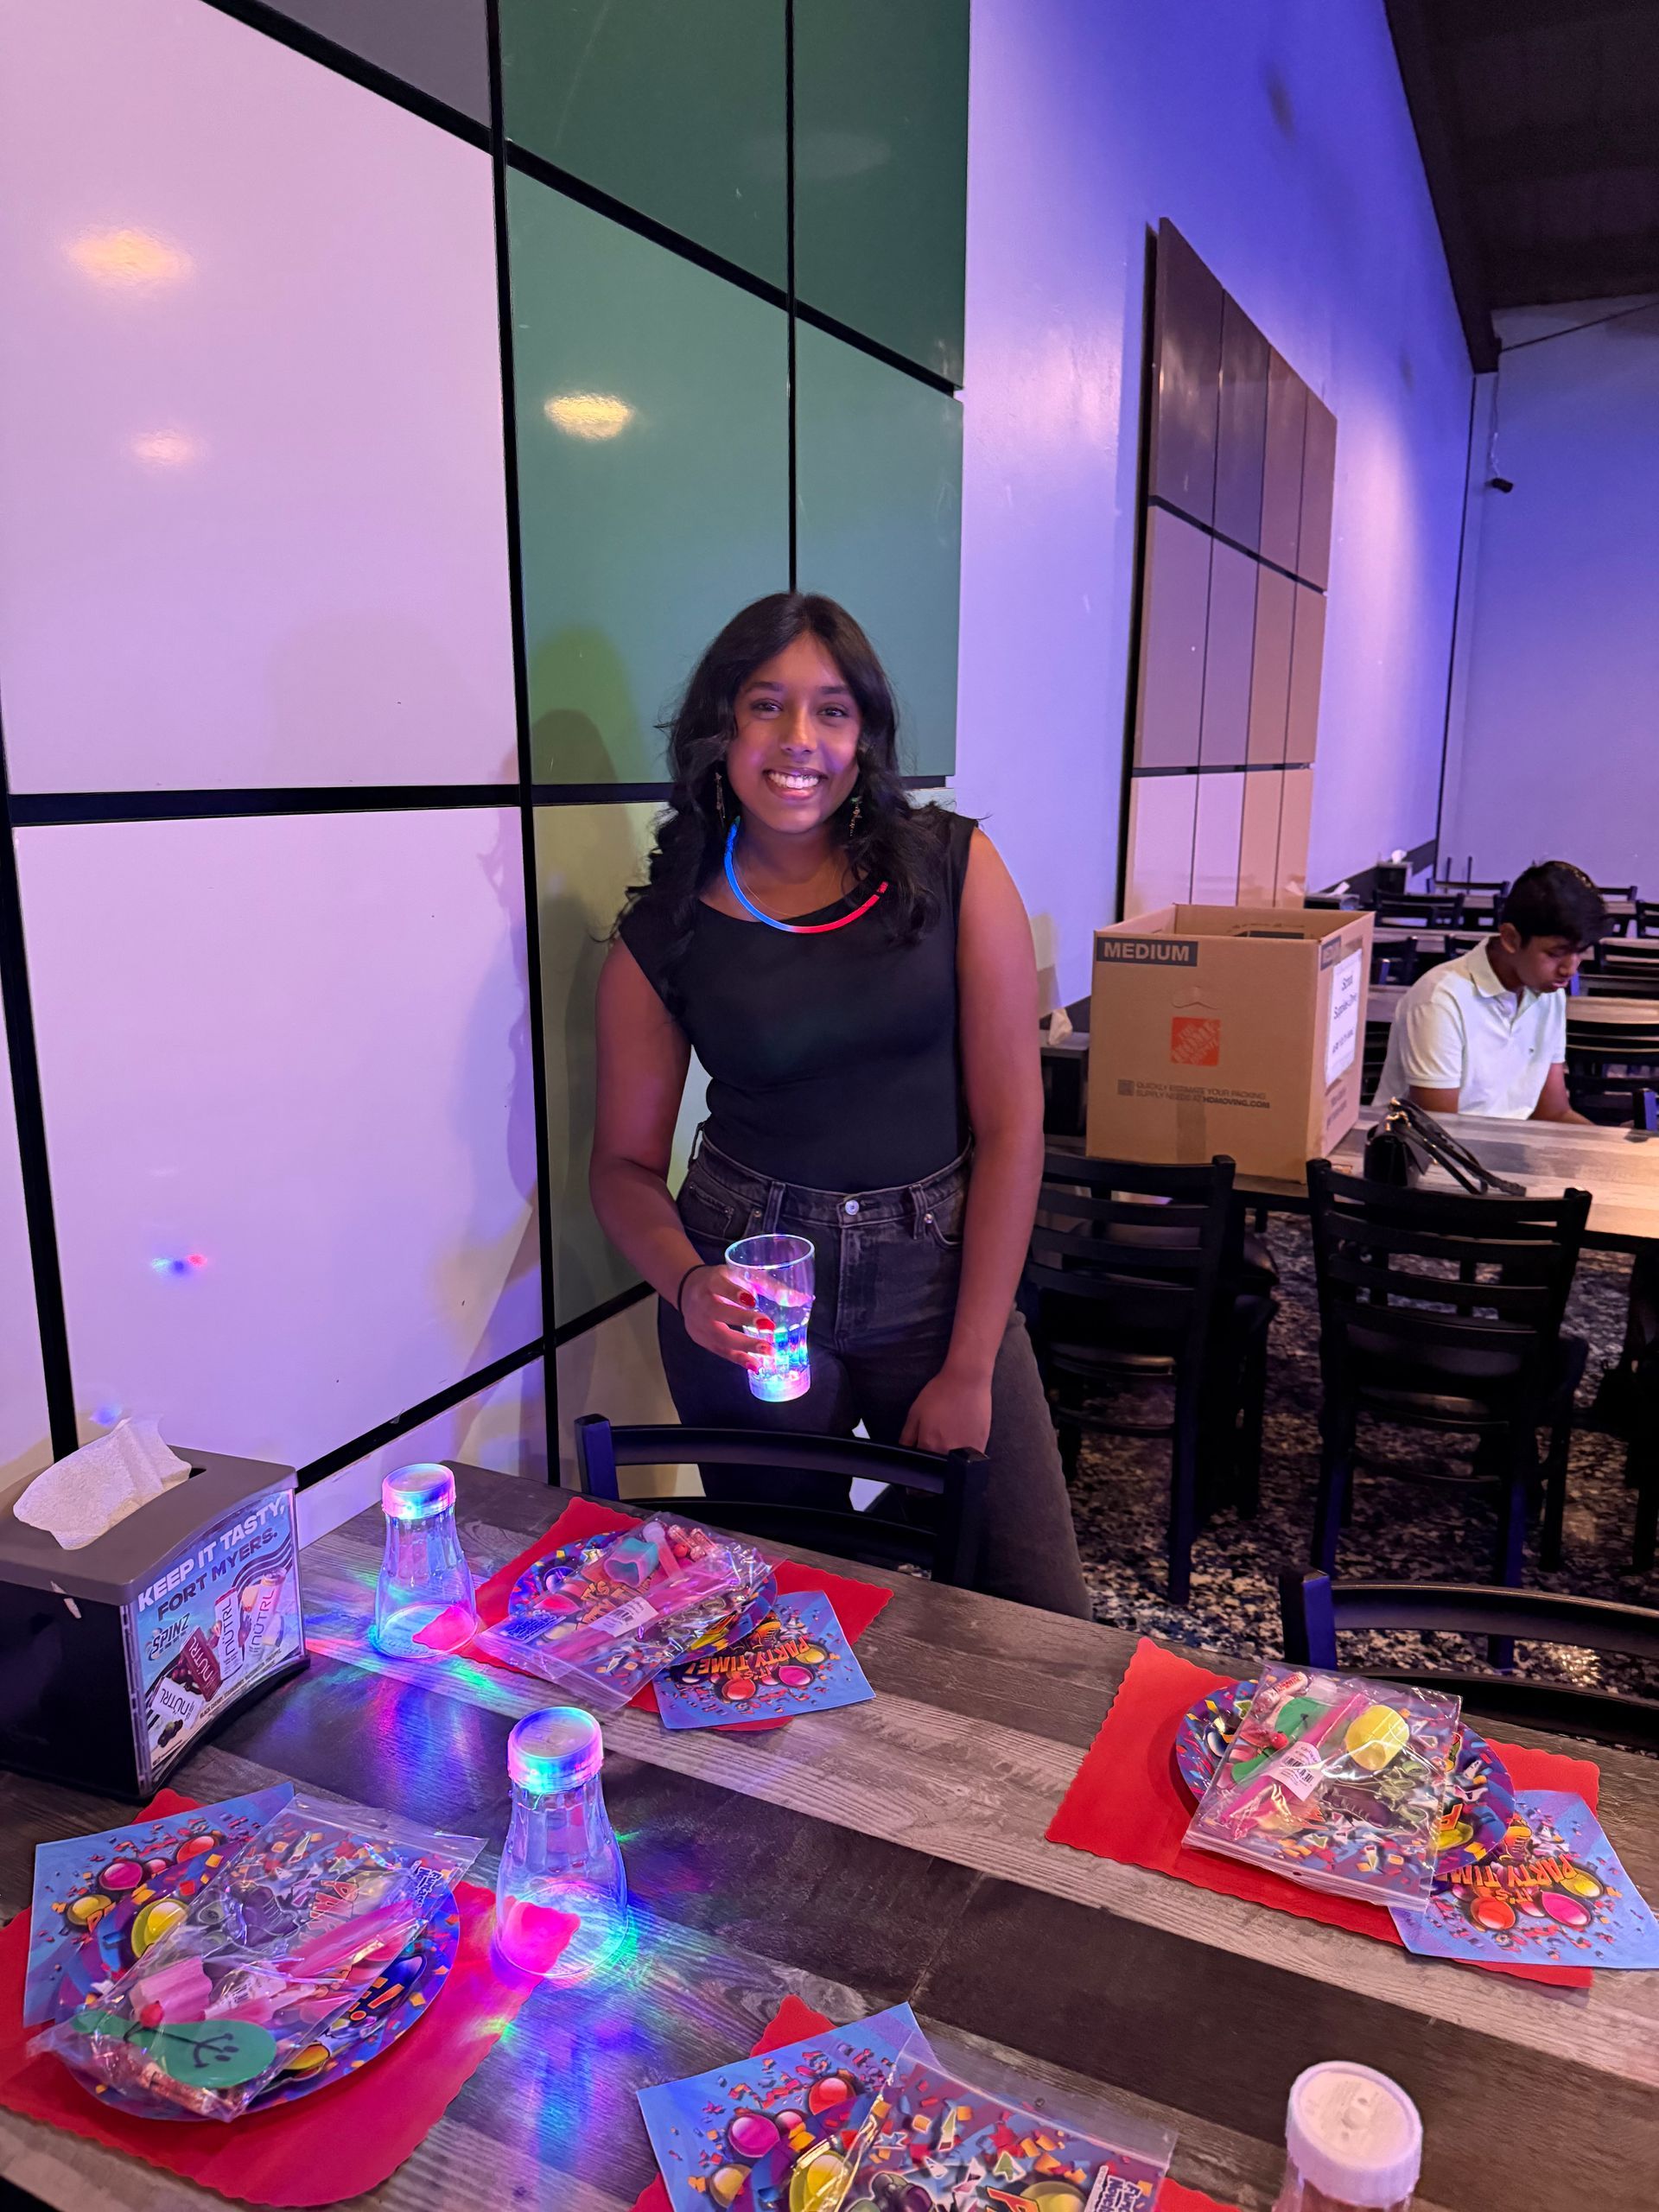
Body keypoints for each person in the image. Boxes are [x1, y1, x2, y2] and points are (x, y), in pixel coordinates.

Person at [589, 592, 1090, 1618]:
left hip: (940, 1273)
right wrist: (686, 1285)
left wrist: (967, 1364)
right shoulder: (667, 925)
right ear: (720, 732)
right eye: (765, 706)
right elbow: (624, 1167)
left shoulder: (954, 867)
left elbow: (1012, 1130)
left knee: (1041, 1618)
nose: (797, 741)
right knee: (786, 1612)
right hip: (750, 1283)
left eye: (831, 710)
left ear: (865, 733)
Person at [1375, 860, 1607, 1123]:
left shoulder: (1548, 994)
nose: (1570, 969)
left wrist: (1610, 1150)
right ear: (1510, 938)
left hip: (1505, 1148)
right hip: (1438, 1154)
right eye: (1556, 954)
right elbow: (1438, 1136)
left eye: (1580, 953)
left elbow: (1553, 1112)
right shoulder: (1440, 1000)